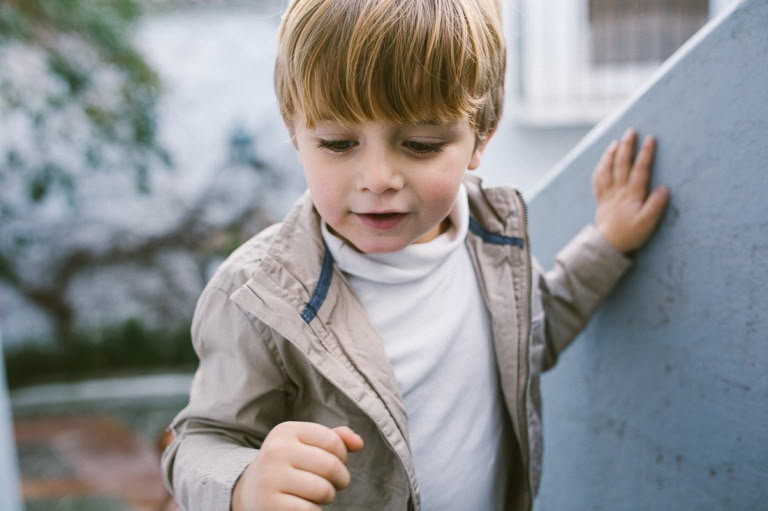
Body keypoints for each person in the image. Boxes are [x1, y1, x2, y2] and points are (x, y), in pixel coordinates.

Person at [161, 0, 670, 510]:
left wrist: (608, 243)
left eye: (421, 145)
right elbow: (200, 441)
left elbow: (536, 334)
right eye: (338, 143)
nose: (379, 179)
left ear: (481, 136)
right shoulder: (257, 294)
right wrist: (244, 483)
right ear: (295, 131)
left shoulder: (493, 244)